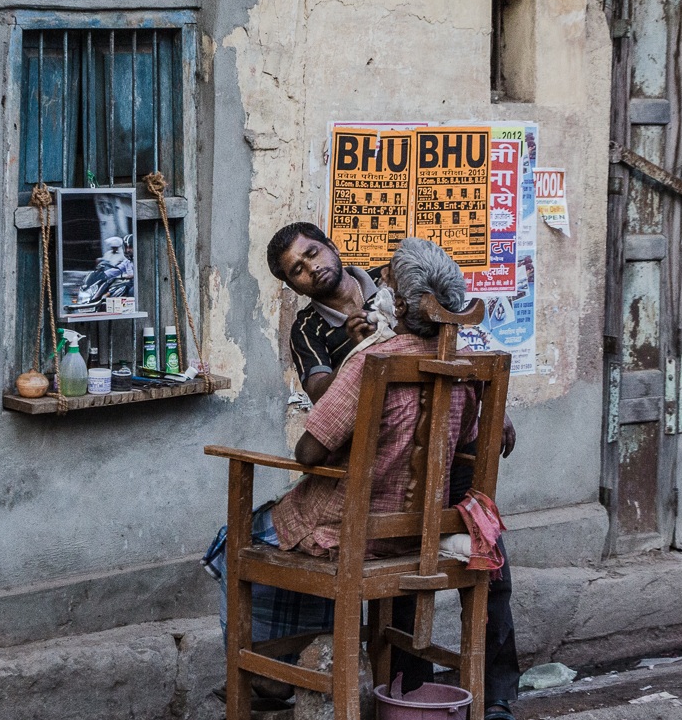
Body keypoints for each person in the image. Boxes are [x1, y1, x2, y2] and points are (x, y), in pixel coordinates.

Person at [205, 238, 484, 705]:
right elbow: (472, 445)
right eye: (297, 267)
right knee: (289, 539)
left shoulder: (372, 361)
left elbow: (310, 450)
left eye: (390, 284)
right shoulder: (467, 367)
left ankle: (262, 669)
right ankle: (280, 663)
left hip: (356, 531)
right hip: (424, 532)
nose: (384, 290)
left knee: (234, 543)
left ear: (398, 302)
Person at [266, 223, 520, 720]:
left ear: (332, 246)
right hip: (384, 463)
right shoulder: (310, 331)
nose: (311, 268)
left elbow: (451, 337)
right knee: (405, 580)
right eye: (297, 269)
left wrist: (492, 400)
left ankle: (498, 698)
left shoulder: (393, 282)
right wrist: (358, 356)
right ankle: (405, 693)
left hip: (446, 458)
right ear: (292, 285)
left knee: (493, 572)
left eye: (313, 253)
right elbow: (326, 399)